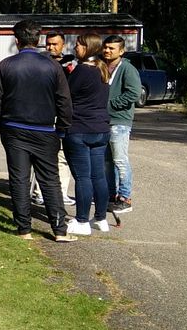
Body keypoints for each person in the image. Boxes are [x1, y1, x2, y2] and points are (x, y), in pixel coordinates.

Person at [0, 20, 75, 242]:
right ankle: (59, 230)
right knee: (49, 179)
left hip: (14, 128)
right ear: (38, 40)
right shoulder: (53, 67)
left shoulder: (6, 65)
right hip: (45, 129)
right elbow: (64, 101)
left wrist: (1, 124)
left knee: (19, 179)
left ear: (16, 40)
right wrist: (62, 129)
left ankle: (24, 229)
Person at [63, 33, 112, 236]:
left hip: (80, 128)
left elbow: (66, 94)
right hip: (101, 129)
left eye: (80, 45)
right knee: (98, 176)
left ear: (88, 48)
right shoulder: (102, 69)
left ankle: (82, 220)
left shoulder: (82, 70)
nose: (75, 48)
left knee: (83, 177)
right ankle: (101, 218)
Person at [32, 30, 76, 207]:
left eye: (55, 44)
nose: (51, 47)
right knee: (41, 154)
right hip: (43, 114)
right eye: (48, 44)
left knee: (63, 155)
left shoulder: (71, 65)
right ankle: (39, 192)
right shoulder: (39, 62)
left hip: (62, 114)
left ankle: (62, 191)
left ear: (62, 45)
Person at [103, 35, 141, 214]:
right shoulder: (102, 66)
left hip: (120, 121)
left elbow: (134, 93)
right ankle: (111, 196)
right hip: (102, 121)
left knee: (120, 159)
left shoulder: (127, 69)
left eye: (112, 48)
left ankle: (125, 197)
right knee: (107, 161)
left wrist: (111, 104)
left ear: (121, 50)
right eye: (106, 47)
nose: (107, 50)